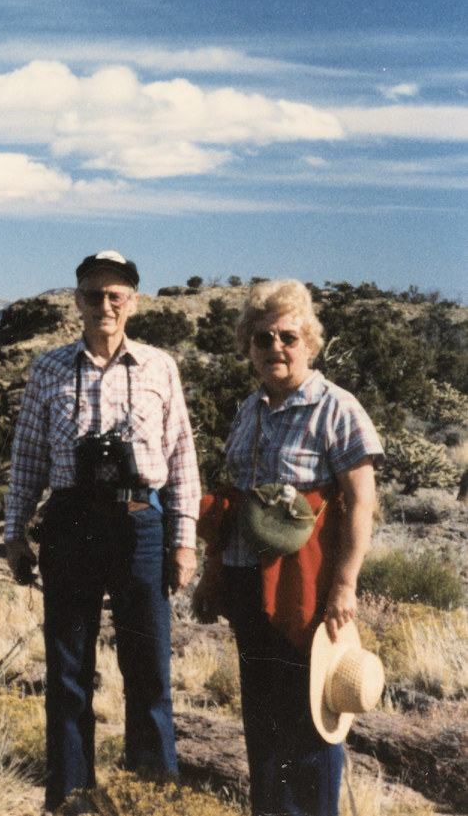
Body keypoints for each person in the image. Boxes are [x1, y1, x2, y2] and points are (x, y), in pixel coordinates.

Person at [5, 251, 200, 811]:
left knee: (149, 672)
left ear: (134, 302)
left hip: (141, 526)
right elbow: (26, 459)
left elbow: (182, 455)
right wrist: (15, 535)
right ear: (77, 301)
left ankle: (152, 799)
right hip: (69, 527)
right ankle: (70, 800)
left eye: (116, 296)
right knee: (69, 674)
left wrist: (183, 540)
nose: (104, 306)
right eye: (93, 295)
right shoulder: (49, 368)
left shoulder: (160, 367)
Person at [191, 280, 382, 816]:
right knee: (262, 721)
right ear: (247, 346)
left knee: (309, 723)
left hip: (308, 590)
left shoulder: (336, 408)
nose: (276, 347)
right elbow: (232, 506)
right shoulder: (249, 411)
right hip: (249, 585)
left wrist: (345, 585)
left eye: (288, 337)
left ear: (310, 343)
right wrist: (213, 575)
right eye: (263, 337)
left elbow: (360, 502)